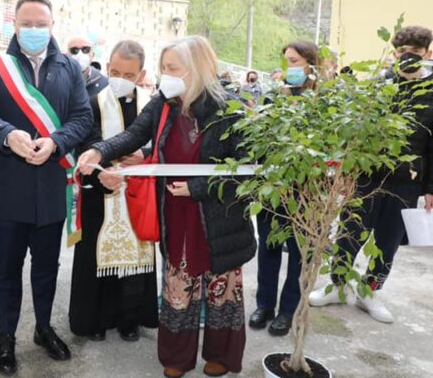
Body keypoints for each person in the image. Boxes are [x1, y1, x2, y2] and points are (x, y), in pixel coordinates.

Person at [77, 36, 256, 378]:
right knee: (178, 287)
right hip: (176, 212)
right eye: (163, 68)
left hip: (219, 216)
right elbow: (133, 135)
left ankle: (221, 354)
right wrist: (99, 151)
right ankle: (177, 356)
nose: (165, 75)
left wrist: (197, 187)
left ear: (197, 69)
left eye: (172, 68)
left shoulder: (231, 108)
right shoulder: (164, 102)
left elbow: (244, 168)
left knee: (223, 290)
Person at [0, 0, 93, 375]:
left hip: (53, 188)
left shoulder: (70, 67)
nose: (35, 30)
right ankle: (6, 337)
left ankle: (43, 328)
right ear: (15, 26)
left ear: (52, 26)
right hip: (9, 189)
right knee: (6, 271)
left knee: (46, 268)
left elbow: (82, 117)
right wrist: (8, 136)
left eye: (42, 24)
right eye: (27, 24)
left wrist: (56, 141)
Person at [310, 26, 433, 323]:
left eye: (416, 54)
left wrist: (430, 188)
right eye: (404, 53)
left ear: (428, 54)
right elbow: (354, 135)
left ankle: (369, 291)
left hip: (407, 183)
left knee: (388, 241)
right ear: (394, 54)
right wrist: (345, 172)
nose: (409, 59)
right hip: (366, 177)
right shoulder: (378, 86)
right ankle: (336, 284)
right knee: (351, 232)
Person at [68, 40, 158, 343]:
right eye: (115, 71)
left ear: (141, 74)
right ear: (107, 68)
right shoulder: (92, 101)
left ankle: (129, 318)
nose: (121, 78)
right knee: (96, 256)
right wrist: (104, 168)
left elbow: (159, 142)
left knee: (135, 258)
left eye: (129, 75)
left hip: (138, 192)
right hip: (100, 190)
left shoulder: (152, 103)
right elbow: (87, 140)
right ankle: (95, 318)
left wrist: (144, 154)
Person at [249, 40, 317, 337]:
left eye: (296, 62)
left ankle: (288, 310)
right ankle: (264, 304)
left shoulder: (322, 101)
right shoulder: (272, 97)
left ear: (310, 65)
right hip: (273, 188)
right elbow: (258, 136)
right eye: (287, 61)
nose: (291, 68)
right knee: (268, 247)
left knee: (299, 253)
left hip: (305, 190)